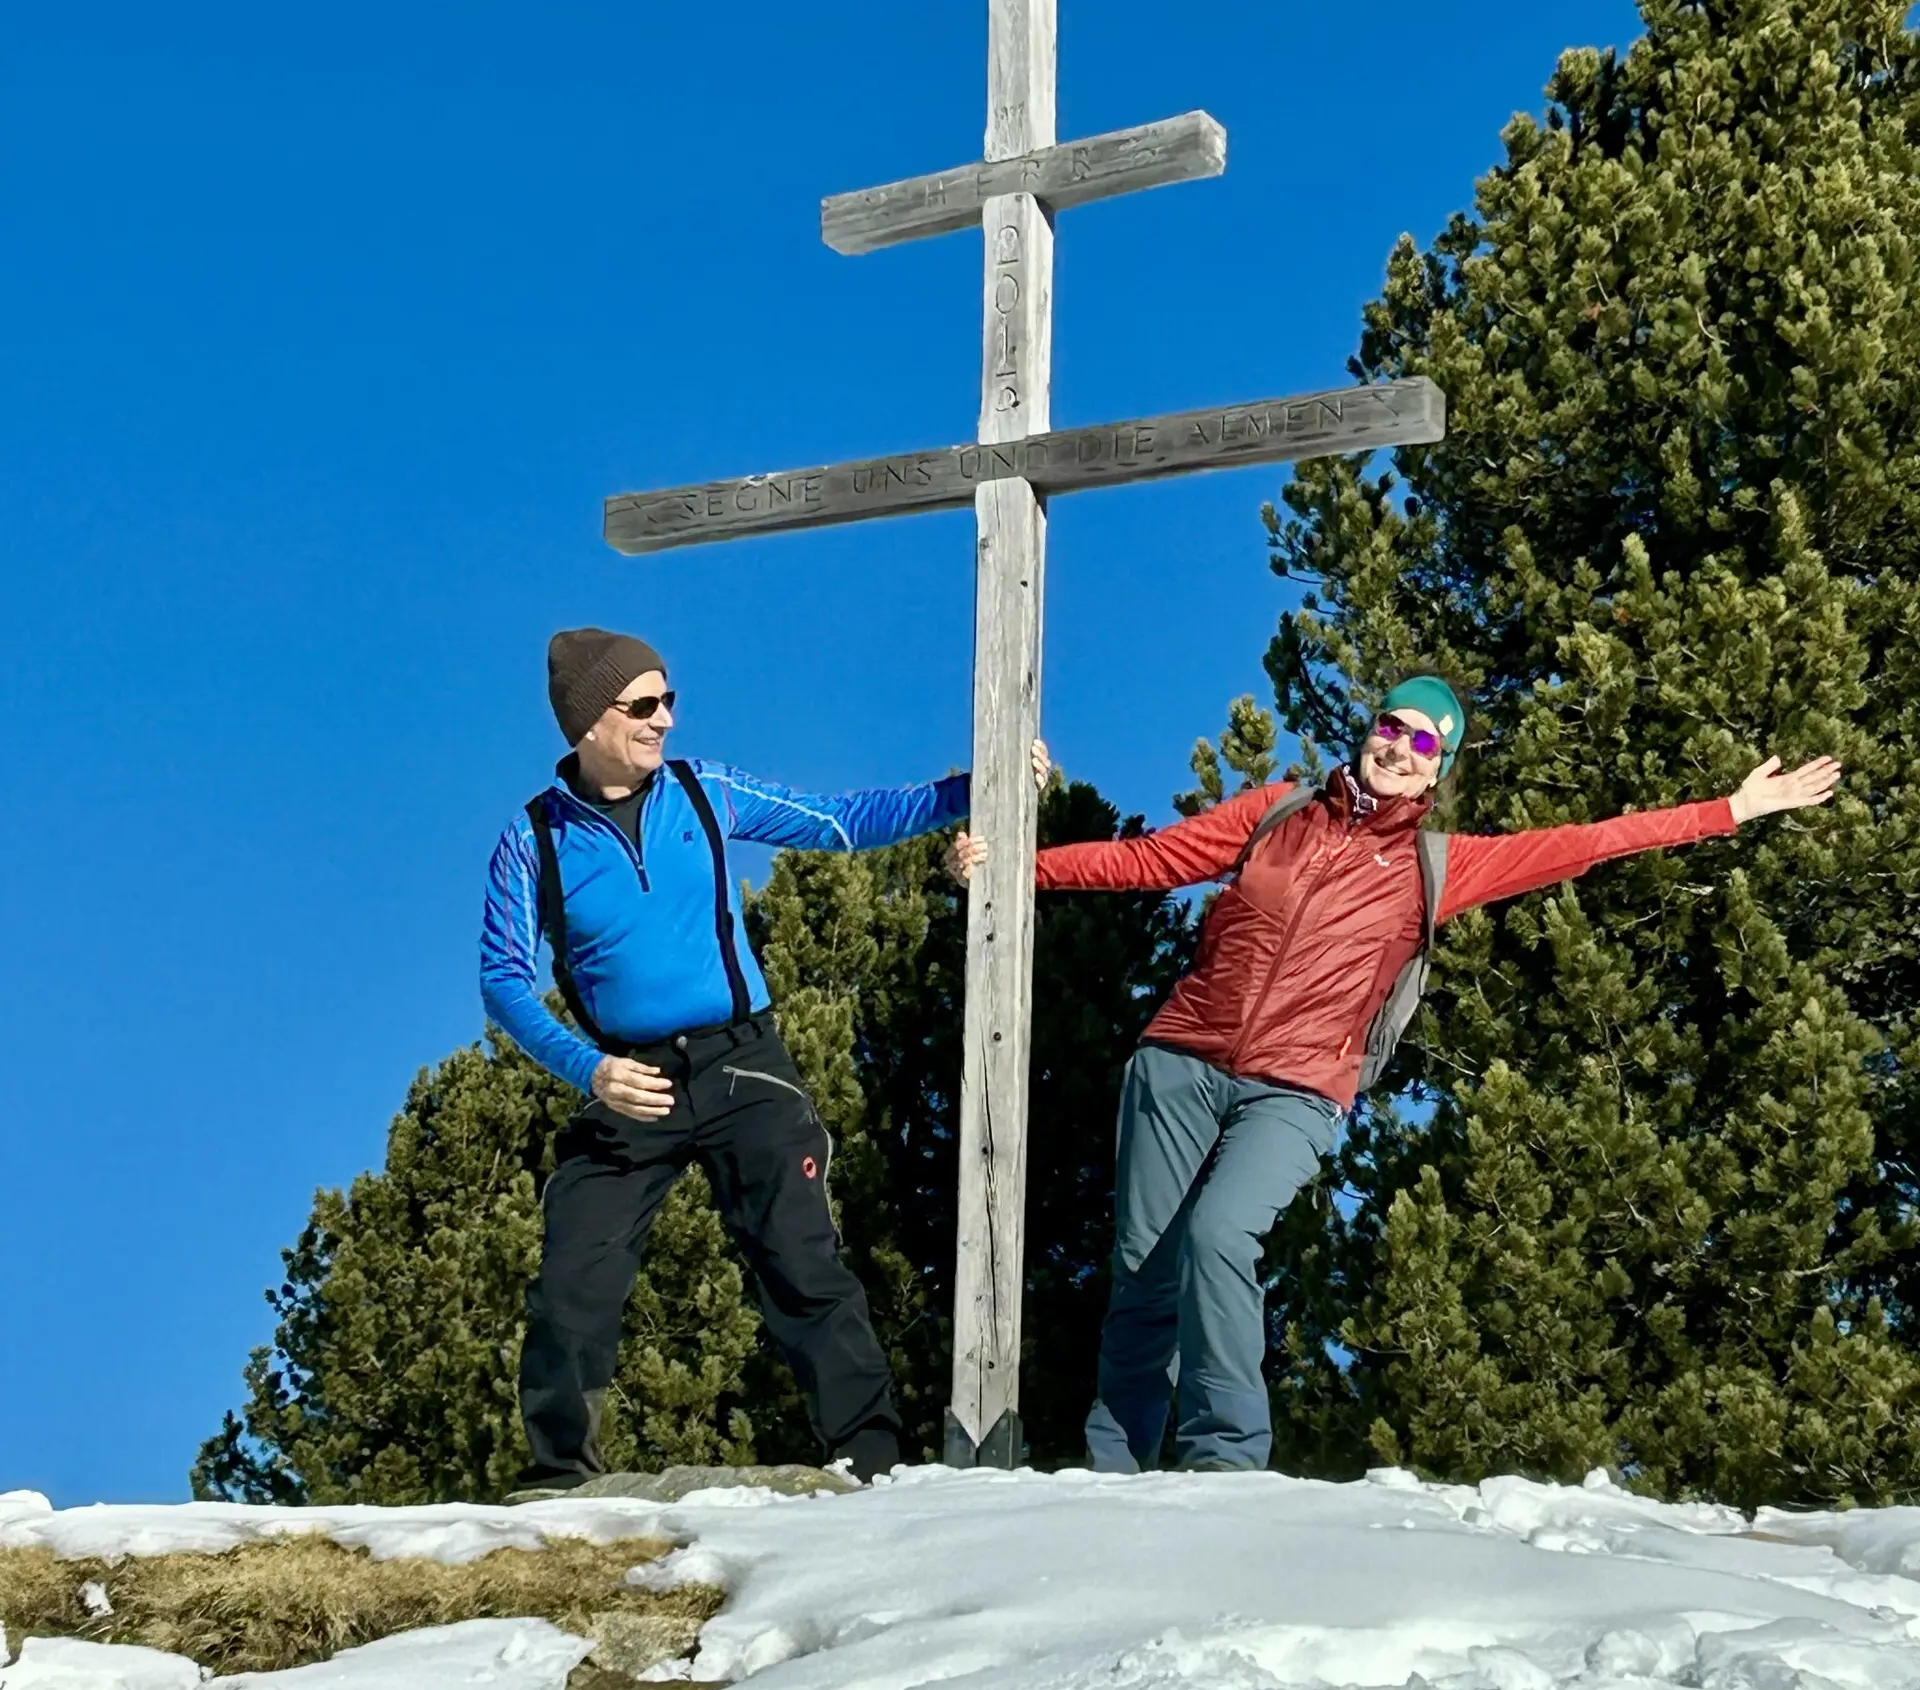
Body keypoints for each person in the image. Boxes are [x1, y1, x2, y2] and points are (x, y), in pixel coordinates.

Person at [974, 673, 1841, 1476]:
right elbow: (1153, 861)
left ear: (1438, 773)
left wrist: (1731, 807)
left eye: (1425, 744)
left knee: (1220, 1236)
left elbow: (1586, 844)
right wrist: (1018, 871)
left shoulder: (1437, 864)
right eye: (1393, 726)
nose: (1399, 748)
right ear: (1370, 729)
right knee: (1144, 1270)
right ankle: (1114, 1473)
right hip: (1181, 1060)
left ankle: (1225, 1466)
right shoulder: (1279, 813)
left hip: (1299, 1089)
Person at [481, 627, 973, 1493]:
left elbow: (841, 822)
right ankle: (558, 1479)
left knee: (799, 1258)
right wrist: (586, 1070)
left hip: (744, 1067)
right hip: (628, 1080)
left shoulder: (704, 793)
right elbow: (506, 982)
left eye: (669, 699)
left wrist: (974, 789)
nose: (665, 718)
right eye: (643, 705)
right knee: (572, 1282)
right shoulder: (533, 841)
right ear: (589, 721)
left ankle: (873, 1460)